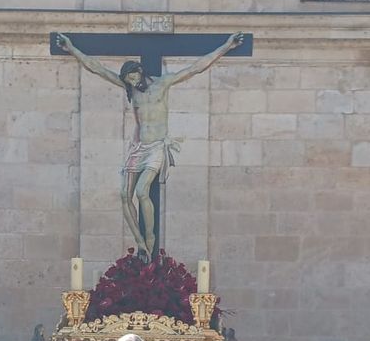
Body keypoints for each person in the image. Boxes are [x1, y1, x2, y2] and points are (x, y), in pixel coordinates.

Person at [55, 31, 245, 256]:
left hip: (156, 147)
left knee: (143, 192)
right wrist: (72, 49)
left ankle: (151, 236)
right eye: (128, 81)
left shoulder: (163, 84)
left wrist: (226, 46)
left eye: (134, 78)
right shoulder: (131, 89)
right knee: (125, 196)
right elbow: (97, 68)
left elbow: (196, 67)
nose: (133, 83)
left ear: (140, 71)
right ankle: (139, 240)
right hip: (138, 148)